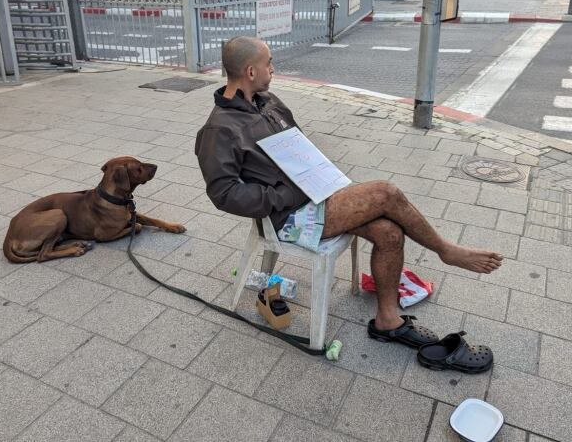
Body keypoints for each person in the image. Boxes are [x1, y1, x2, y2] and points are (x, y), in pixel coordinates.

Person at [195, 36, 503, 348]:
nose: (272, 69)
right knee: (386, 193)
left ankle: (387, 320)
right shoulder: (220, 129)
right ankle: (446, 250)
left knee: (389, 232)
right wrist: (285, 196)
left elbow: (298, 145)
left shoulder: (268, 103)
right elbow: (224, 193)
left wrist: (319, 173)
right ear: (250, 72)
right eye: (268, 64)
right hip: (287, 217)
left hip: (314, 195)